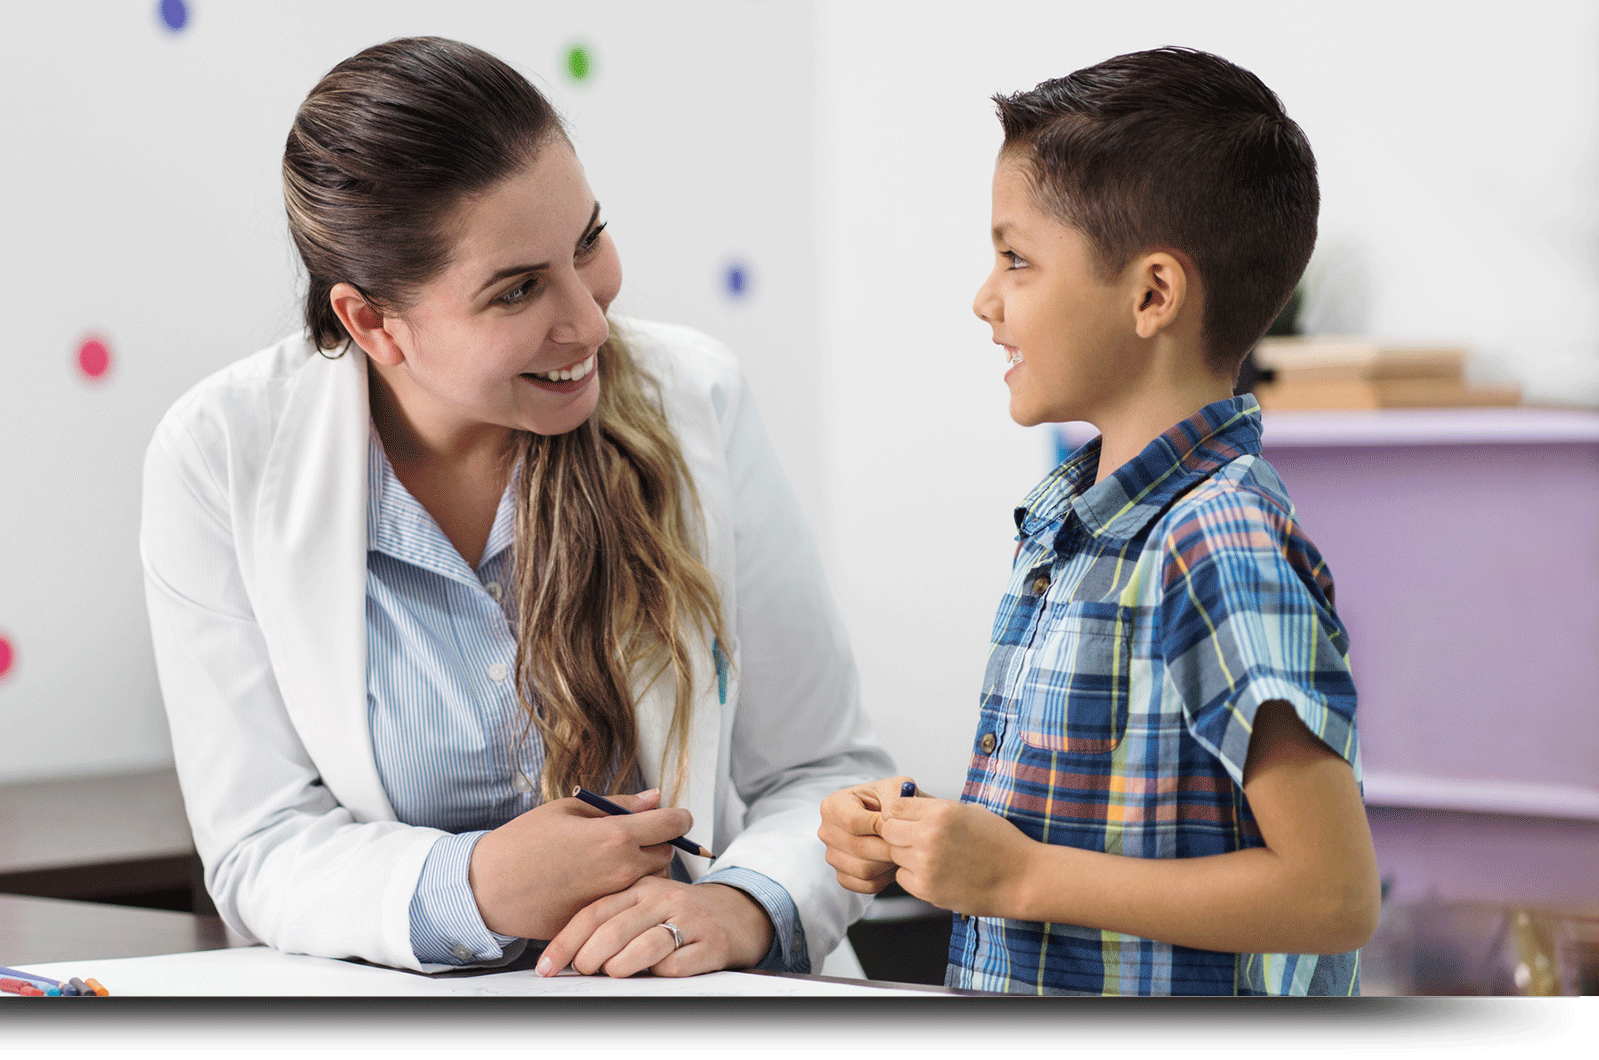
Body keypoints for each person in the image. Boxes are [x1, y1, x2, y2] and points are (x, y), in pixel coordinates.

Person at [140, 36, 889, 979]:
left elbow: (827, 776)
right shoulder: (218, 456)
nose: (590, 321)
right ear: (371, 323)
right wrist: (477, 886)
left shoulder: (696, 398)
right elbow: (258, 845)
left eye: (588, 242)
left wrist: (739, 907)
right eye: (519, 289)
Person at [818, 47, 1379, 995]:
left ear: (1152, 295)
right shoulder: (1075, 529)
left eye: (1016, 259)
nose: (984, 299)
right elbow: (1095, 832)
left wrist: (1020, 877)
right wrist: (923, 838)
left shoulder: (1217, 542)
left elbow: (1332, 895)